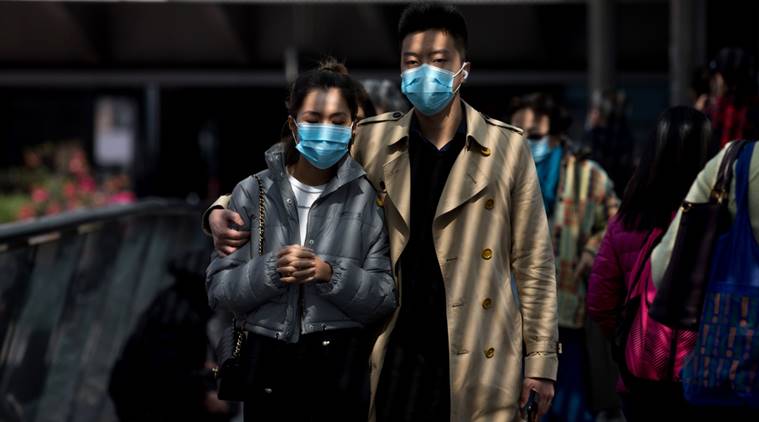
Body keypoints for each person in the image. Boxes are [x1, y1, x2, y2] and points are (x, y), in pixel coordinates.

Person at [204, 3, 560, 421]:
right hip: (393, 349)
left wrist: (541, 363)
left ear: (463, 69)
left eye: (438, 61)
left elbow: (534, 262)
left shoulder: (507, 148)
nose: (424, 72)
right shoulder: (374, 140)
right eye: (412, 61)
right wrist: (219, 209)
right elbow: (294, 173)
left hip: (479, 350)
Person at [205, 59, 397, 421]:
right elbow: (219, 289)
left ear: (354, 127)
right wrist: (270, 270)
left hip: (339, 370)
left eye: (338, 121)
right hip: (268, 368)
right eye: (313, 119)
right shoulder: (253, 192)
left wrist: (329, 273)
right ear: (293, 125)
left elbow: (383, 297)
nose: (326, 130)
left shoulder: (367, 198)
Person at [586, 107, 714, 421]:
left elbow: (600, 302)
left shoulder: (627, 220)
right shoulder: (722, 222)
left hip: (642, 375)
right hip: (708, 371)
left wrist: (630, 337)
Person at [510, 93, 620, 422]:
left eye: (535, 136)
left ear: (557, 135)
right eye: (518, 134)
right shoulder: (502, 173)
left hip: (567, 309)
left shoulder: (589, 176)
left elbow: (614, 222)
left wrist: (591, 251)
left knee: (568, 402)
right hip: (511, 315)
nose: (527, 143)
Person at [703, 47, 759, 151]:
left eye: (716, 76)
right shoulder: (753, 108)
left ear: (725, 79)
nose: (714, 82)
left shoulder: (717, 112)